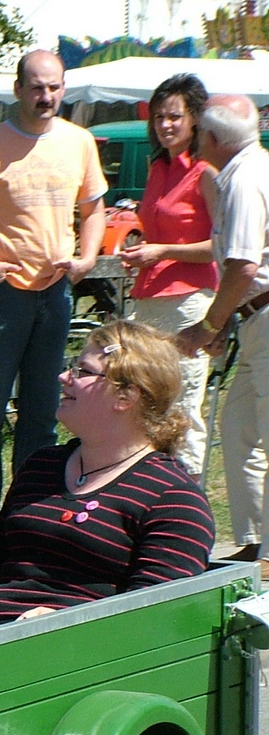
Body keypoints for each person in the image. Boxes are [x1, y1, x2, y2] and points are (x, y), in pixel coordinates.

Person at [0, 320, 214, 635]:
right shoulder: (41, 467)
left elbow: (150, 620)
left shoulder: (173, 499)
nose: (63, 378)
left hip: (79, 668)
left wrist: (66, 624)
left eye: (82, 372)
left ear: (125, 396)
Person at [0, 49, 108, 542]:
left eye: (54, 87)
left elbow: (94, 209)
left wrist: (88, 257)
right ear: (18, 89)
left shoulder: (78, 143)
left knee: (44, 414)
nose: (46, 96)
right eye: (37, 87)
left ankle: (30, 512)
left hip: (54, 295)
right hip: (2, 296)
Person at [177, 95, 269, 562]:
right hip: (256, 317)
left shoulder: (243, 180)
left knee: (258, 434)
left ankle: (266, 551)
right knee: (239, 430)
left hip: (264, 317)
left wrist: (208, 326)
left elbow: (244, 267)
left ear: (211, 138)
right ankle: (256, 543)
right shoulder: (252, 170)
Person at [120, 74, 218, 478]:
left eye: (174, 116)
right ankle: (156, 488)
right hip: (150, 296)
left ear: (195, 119)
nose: (165, 125)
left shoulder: (205, 172)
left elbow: (222, 244)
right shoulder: (156, 166)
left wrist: (163, 251)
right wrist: (143, 249)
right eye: (159, 117)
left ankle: (189, 494)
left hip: (189, 299)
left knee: (184, 400)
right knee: (150, 398)